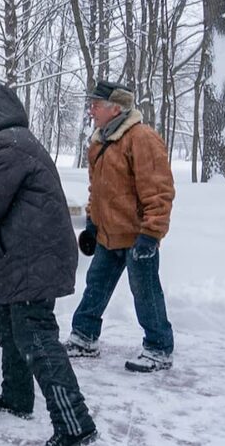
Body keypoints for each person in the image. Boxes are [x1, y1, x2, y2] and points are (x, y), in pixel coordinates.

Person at [0, 84, 98, 446]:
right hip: (30, 254)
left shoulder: (5, 146)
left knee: (35, 336)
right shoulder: (17, 141)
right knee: (9, 321)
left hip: (35, 257)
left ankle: (75, 425)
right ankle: (17, 396)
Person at [64, 80, 176, 373]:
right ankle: (84, 336)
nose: (91, 110)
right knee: (96, 285)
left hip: (137, 235)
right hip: (107, 233)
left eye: (96, 105)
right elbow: (97, 190)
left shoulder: (141, 138)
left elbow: (159, 190)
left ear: (116, 108)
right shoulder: (100, 141)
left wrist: (151, 235)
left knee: (146, 292)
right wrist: (91, 223)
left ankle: (159, 347)